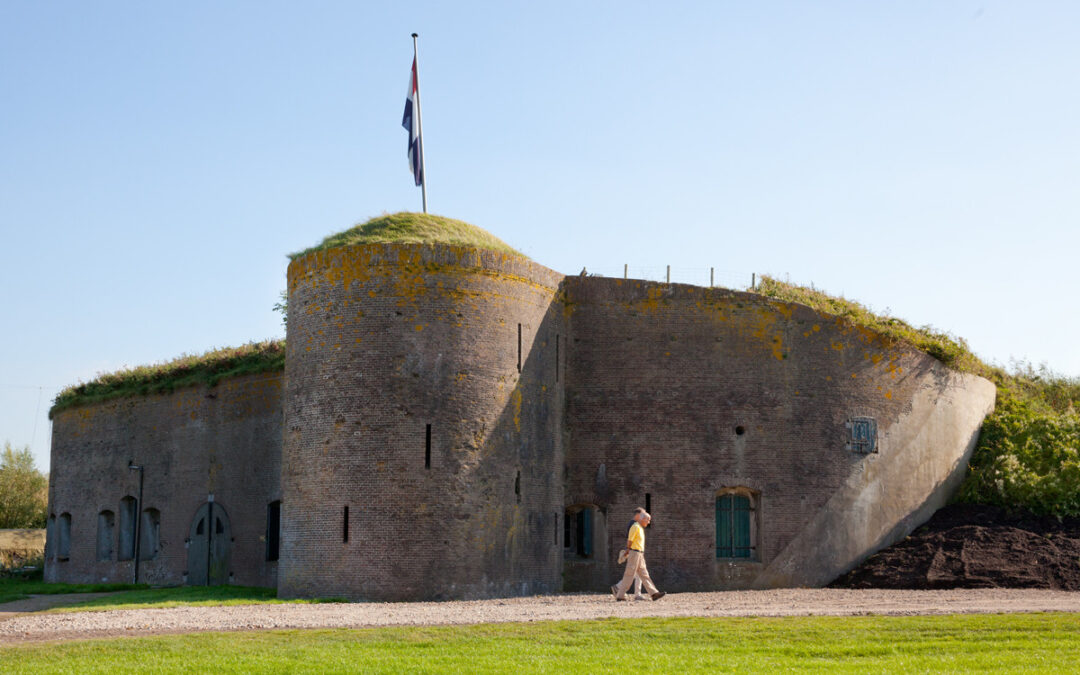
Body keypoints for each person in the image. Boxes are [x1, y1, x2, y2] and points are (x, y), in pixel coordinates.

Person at [611, 509, 665, 601]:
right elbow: (630, 540)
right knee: (629, 574)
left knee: (644, 574)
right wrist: (628, 550)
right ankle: (620, 595)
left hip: (639, 554)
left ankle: (654, 593)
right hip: (635, 553)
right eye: (648, 520)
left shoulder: (639, 527)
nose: (648, 522)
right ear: (642, 519)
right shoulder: (635, 527)